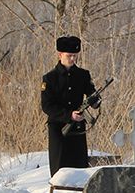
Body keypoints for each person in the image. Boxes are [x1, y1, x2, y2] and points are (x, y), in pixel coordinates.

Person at [41, 36, 98, 177]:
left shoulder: (83, 75)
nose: (72, 59)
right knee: (60, 172)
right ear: (60, 54)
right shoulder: (49, 78)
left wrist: (96, 101)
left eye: (75, 56)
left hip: (77, 129)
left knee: (80, 170)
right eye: (69, 56)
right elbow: (47, 106)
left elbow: (91, 93)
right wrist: (68, 115)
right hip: (58, 129)